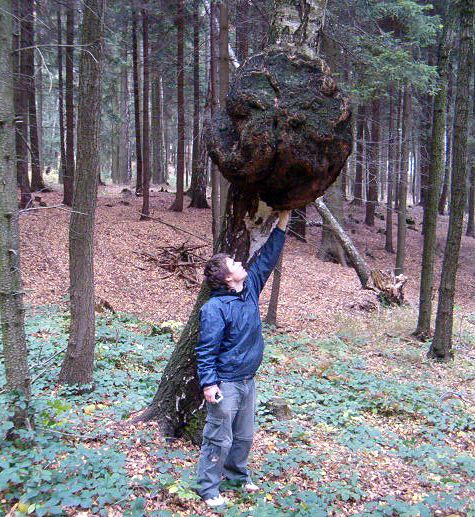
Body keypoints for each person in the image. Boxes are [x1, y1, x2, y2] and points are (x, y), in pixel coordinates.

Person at [195, 210, 291, 508]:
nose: (240, 263)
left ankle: (235, 475)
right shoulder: (214, 309)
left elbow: (267, 259)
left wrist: (283, 223)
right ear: (226, 278)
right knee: (218, 437)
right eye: (234, 263)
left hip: (248, 379)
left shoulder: (248, 291)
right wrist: (209, 384)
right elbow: (206, 349)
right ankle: (209, 487)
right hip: (226, 382)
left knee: (244, 436)